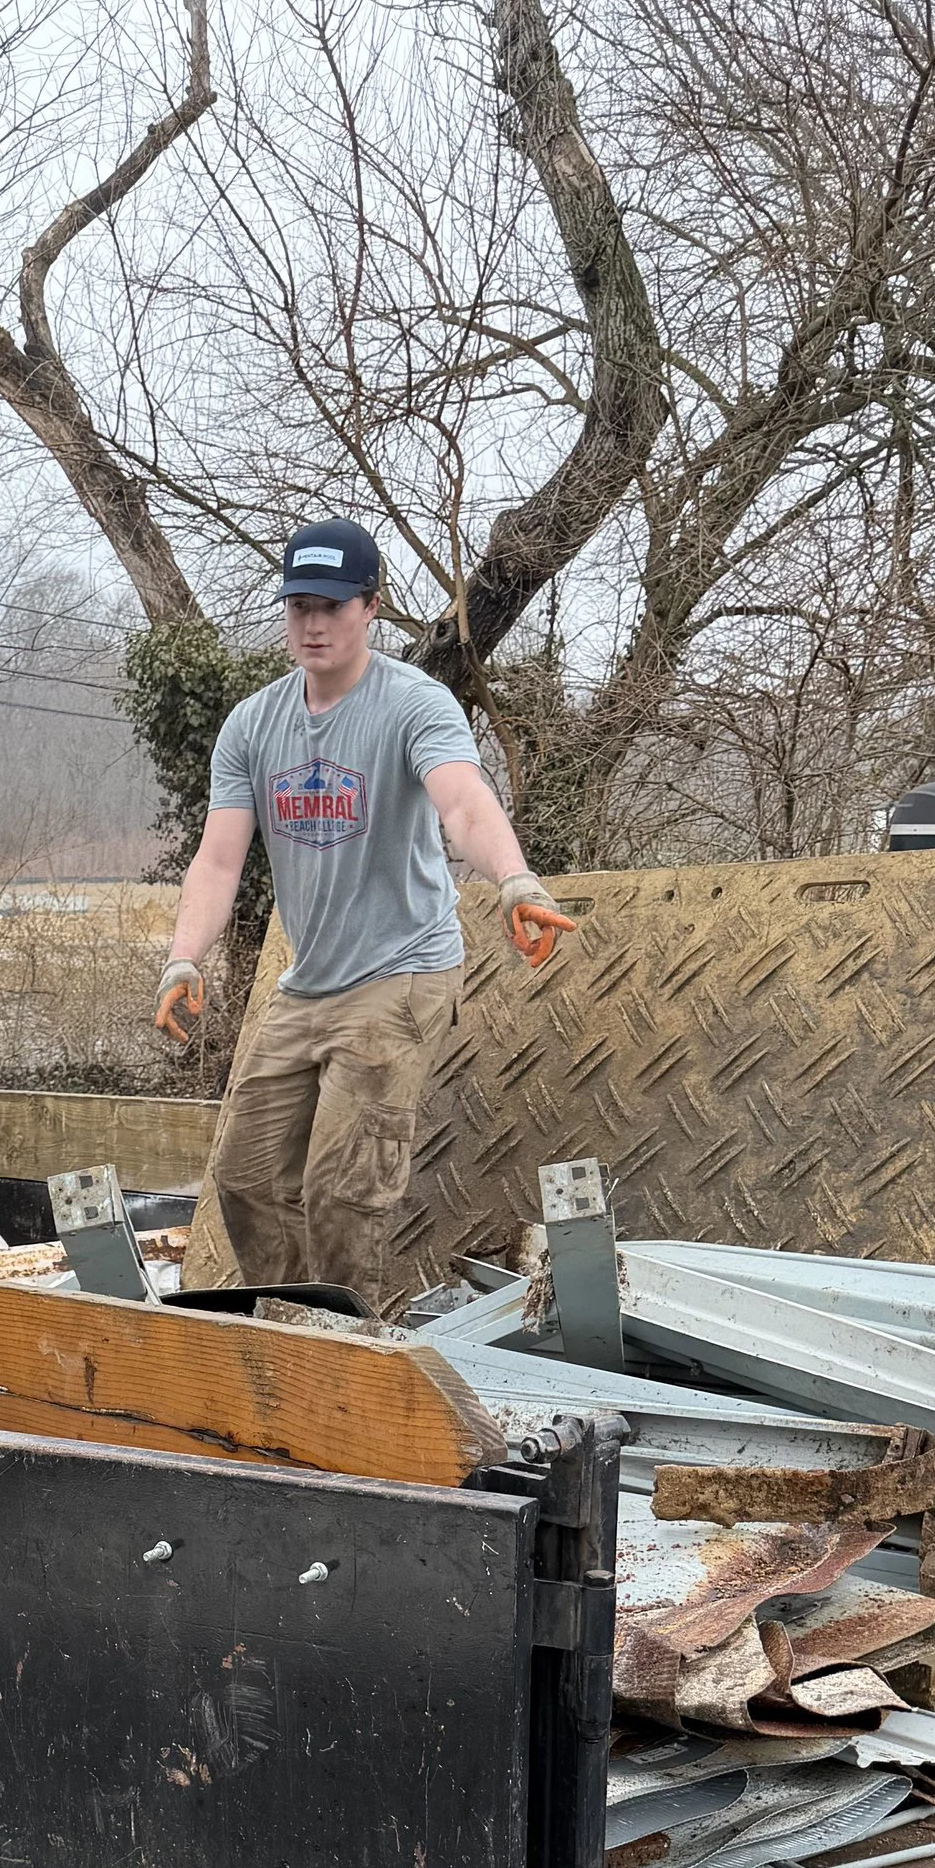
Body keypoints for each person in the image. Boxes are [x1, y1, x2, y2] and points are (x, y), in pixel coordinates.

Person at [157, 518, 577, 1306]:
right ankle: (294, 1327)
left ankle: (349, 1348)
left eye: (334, 606)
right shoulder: (253, 725)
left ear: (371, 607)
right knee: (244, 1176)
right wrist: (184, 955)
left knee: (341, 1189)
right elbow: (218, 860)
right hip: (308, 983)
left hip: (402, 970)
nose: (314, 624)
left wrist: (515, 879)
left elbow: (462, 802)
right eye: (300, 606)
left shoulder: (414, 705)